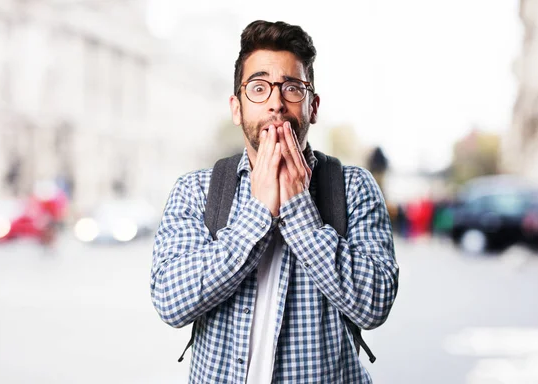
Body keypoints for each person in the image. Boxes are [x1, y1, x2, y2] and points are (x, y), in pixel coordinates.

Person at [151, 20, 399, 384]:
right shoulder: (196, 190)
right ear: (237, 108)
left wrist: (299, 209)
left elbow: (374, 305)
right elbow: (171, 302)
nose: (276, 104)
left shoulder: (354, 188)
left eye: (293, 89)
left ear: (313, 107)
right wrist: (258, 214)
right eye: (259, 88)